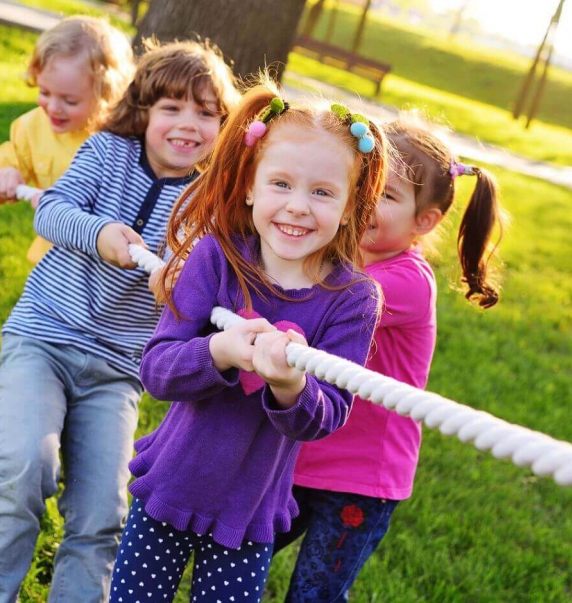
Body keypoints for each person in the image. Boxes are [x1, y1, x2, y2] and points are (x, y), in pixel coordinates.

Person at [0, 40, 240, 603]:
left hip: (117, 369)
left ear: (223, 126)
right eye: (171, 108)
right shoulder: (107, 151)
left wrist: (182, 286)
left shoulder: (211, 201)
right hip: (45, 336)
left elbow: (207, 287)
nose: (188, 125)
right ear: (143, 111)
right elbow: (55, 209)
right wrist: (101, 234)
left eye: (206, 114)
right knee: (22, 470)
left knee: (102, 512)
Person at [110, 84, 389, 603]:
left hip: (250, 512)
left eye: (323, 192)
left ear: (352, 207)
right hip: (168, 488)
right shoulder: (216, 257)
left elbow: (325, 417)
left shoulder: (353, 298)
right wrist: (221, 352)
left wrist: (289, 383)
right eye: (281, 183)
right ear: (250, 188)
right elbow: (158, 372)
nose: (298, 207)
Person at [279, 117, 506, 602]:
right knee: (238, 556)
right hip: (302, 453)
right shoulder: (337, 254)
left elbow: (317, 302)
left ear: (424, 221)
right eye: (362, 185)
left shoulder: (406, 282)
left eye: (387, 195)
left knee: (313, 595)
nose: (365, 203)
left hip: (360, 478)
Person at [0, 16, 135, 502]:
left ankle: (75, 470)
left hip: (108, 289)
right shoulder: (31, 127)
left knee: (86, 387)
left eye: (69, 100)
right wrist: (7, 175)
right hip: (52, 284)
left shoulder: (118, 142)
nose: (53, 107)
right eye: (45, 93)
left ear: (107, 95)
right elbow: (4, 171)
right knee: (24, 376)